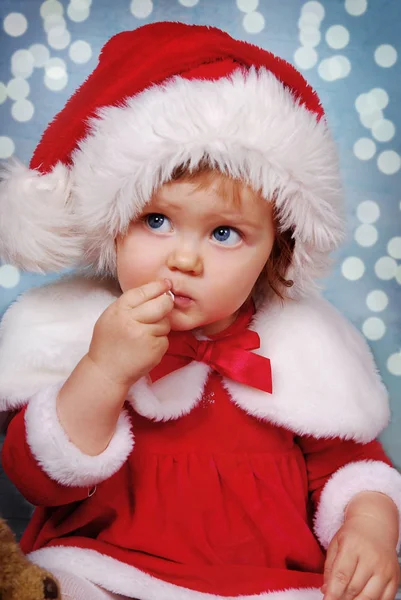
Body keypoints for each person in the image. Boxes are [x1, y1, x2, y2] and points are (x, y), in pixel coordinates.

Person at [0, 21, 400, 600]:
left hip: (265, 588)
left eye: (225, 233)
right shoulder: (71, 329)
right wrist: (104, 372)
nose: (184, 258)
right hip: (105, 571)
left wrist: (368, 527)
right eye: (155, 221)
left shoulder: (306, 345)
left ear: (274, 254)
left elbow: (352, 468)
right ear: (111, 227)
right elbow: (38, 481)